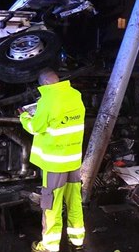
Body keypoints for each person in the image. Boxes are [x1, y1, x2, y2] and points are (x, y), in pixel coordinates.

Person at [20, 68, 86, 252]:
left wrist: (24, 117)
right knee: (74, 201)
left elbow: (36, 127)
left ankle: (49, 246)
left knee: (51, 205)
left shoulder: (47, 100)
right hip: (73, 161)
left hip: (55, 163)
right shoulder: (75, 94)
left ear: (45, 83)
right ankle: (77, 241)